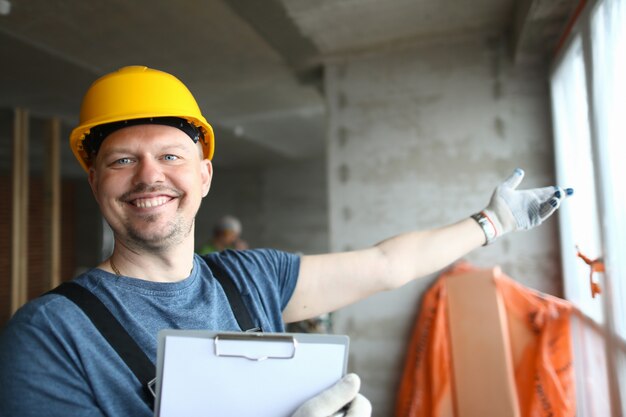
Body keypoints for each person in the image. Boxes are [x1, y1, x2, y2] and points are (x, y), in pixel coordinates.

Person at [0, 66, 572, 417]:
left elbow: (386, 264)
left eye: (171, 156)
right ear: (97, 181)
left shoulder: (252, 278)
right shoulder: (52, 334)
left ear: (203, 176)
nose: (150, 176)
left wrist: (491, 222)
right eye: (123, 160)